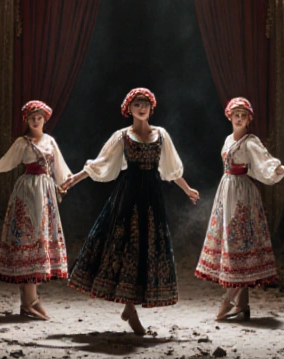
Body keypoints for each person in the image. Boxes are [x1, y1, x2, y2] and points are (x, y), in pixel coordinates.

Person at [60, 87, 200, 335]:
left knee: (146, 247)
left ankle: (130, 307)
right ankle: (130, 308)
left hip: (151, 198)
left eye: (145, 103)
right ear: (129, 109)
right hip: (128, 196)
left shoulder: (161, 135)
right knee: (127, 246)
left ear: (152, 108)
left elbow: (170, 168)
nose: (141, 107)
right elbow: (101, 163)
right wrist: (76, 178)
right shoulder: (122, 136)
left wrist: (187, 189)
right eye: (137, 104)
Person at [194, 97, 284, 321]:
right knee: (232, 243)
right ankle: (242, 305)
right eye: (236, 115)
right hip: (227, 190)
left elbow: (266, 162)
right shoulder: (228, 139)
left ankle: (228, 301)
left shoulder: (251, 142)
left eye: (244, 115)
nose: (240, 118)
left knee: (239, 242)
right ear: (230, 116)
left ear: (249, 119)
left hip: (241, 193)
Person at [0, 100, 72, 319]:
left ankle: (30, 300)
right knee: (29, 237)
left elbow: (59, 166)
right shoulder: (22, 142)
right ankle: (29, 300)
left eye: (39, 117)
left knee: (41, 238)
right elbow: (8, 161)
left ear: (45, 120)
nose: (36, 121)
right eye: (32, 118)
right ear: (27, 121)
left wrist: (66, 181)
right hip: (28, 191)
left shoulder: (49, 141)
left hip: (45, 192)